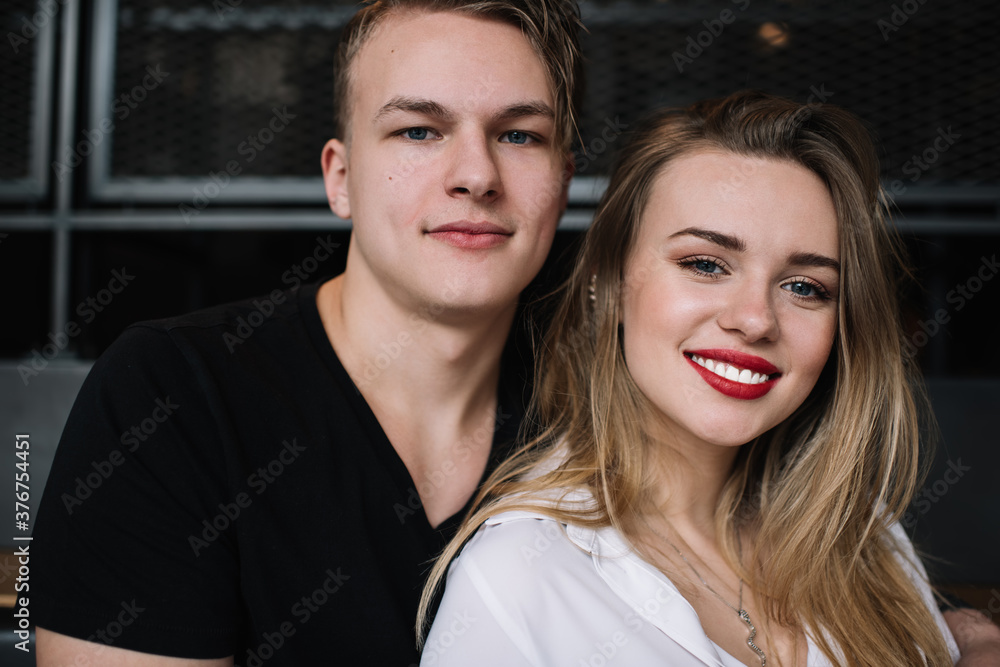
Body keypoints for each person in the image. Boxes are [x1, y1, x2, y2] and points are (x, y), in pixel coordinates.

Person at [32, 0, 583, 664]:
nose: (476, 175)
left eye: (520, 135)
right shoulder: (174, 392)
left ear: (563, 182)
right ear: (340, 178)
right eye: (418, 130)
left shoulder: (604, 408)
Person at [419, 91, 998, 666]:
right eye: (705, 264)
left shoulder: (862, 533)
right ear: (609, 284)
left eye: (805, 287)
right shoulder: (518, 581)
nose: (753, 320)